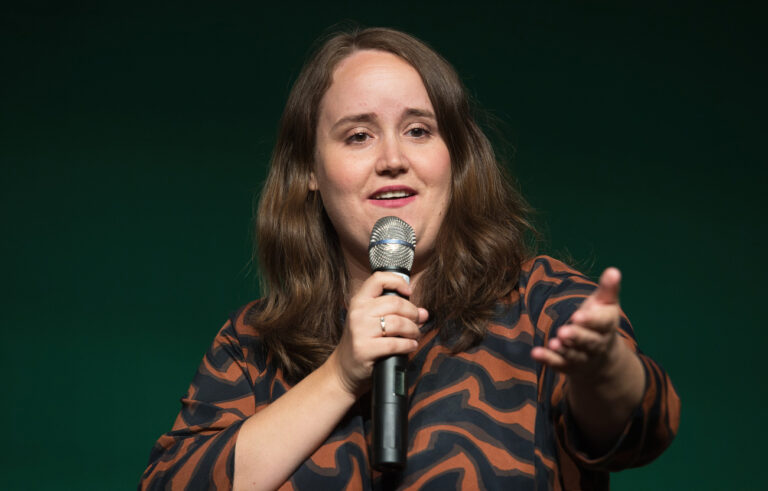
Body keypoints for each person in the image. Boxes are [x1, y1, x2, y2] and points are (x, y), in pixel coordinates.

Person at [139, 27, 680, 490]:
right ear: (309, 169)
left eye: (419, 130)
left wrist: (605, 372)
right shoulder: (252, 346)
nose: (393, 159)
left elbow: (642, 428)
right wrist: (340, 376)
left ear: (455, 158)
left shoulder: (541, 302)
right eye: (358, 135)